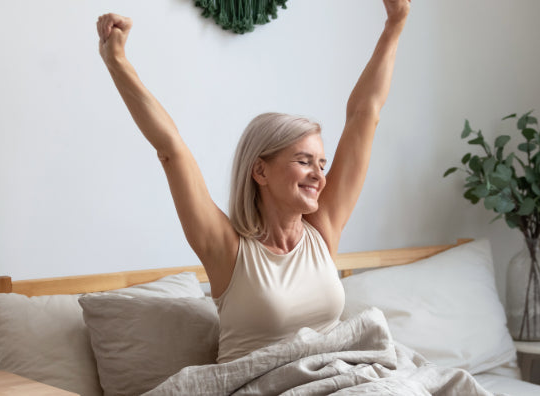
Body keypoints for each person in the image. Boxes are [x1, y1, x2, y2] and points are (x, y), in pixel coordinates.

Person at [96, 0, 411, 363]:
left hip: (336, 379)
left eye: (321, 164)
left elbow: (364, 116)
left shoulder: (322, 231)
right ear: (260, 171)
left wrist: (395, 24)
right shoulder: (227, 250)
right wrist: (117, 61)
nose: (319, 176)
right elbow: (172, 150)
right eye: (303, 161)